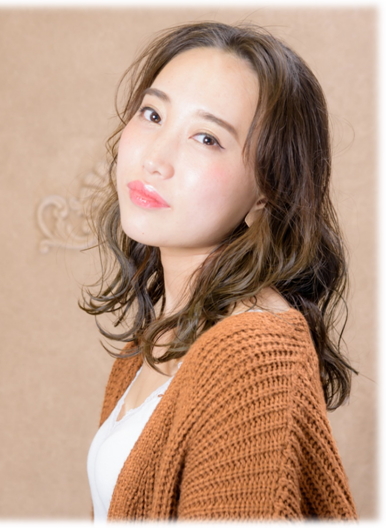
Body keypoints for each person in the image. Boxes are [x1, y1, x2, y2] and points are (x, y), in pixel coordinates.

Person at [82, 21, 358, 521]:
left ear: (266, 193)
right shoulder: (152, 340)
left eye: (206, 138)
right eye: (152, 114)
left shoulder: (252, 355)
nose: (155, 159)